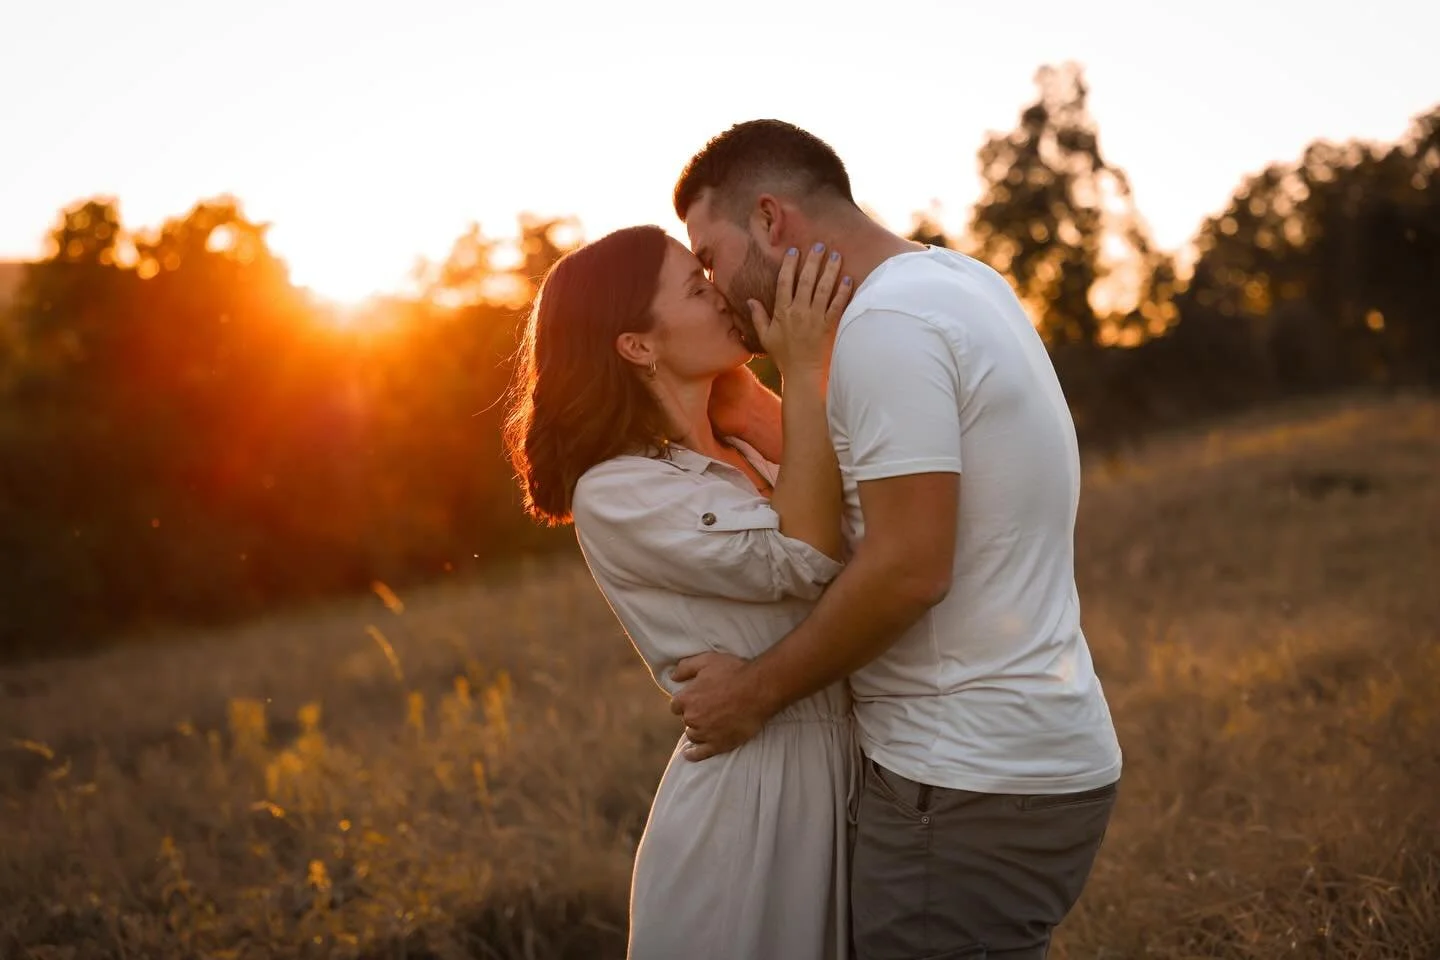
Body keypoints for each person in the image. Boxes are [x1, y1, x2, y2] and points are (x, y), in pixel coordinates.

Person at [669, 119, 1124, 960]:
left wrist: (755, 692)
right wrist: (756, 399)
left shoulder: (888, 331)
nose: (713, 287)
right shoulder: (957, 281)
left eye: (708, 258)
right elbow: (872, 480)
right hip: (1024, 758)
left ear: (770, 219)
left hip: (961, 783)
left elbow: (911, 567)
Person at [503, 223, 858, 959]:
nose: (721, 295)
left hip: (857, 773)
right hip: (754, 807)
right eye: (697, 290)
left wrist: (760, 407)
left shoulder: (752, 445)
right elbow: (805, 559)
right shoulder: (620, 490)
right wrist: (804, 374)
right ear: (637, 344)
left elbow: (881, 514)